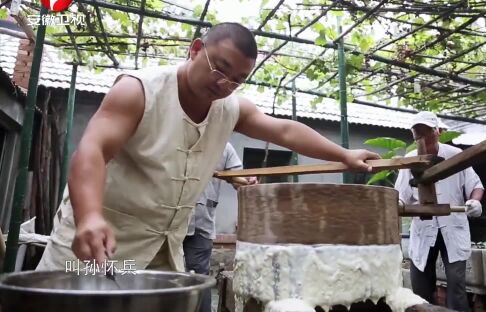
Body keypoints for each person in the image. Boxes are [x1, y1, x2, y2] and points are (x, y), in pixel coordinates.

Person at [37, 22, 380, 273]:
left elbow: (285, 131)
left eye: (237, 79)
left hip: (162, 253)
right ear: (196, 48)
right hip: (94, 244)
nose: (224, 83)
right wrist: (90, 216)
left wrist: (344, 155)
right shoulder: (139, 90)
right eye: (220, 67)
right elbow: (92, 150)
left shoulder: (230, 108)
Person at [395, 111, 484, 312]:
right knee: (420, 284)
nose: (422, 138)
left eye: (427, 132)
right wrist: (398, 204)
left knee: (456, 284)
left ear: (438, 132)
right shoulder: (409, 160)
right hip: (424, 228)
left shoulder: (456, 156)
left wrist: (474, 201)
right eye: (417, 134)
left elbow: (476, 185)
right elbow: (401, 195)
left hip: (453, 225)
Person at [184, 142, 252, 312]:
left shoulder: (223, 146)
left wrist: (247, 181)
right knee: (162, 274)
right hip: (165, 223)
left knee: (200, 279)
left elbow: (238, 178)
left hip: (201, 224)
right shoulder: (173, 132)